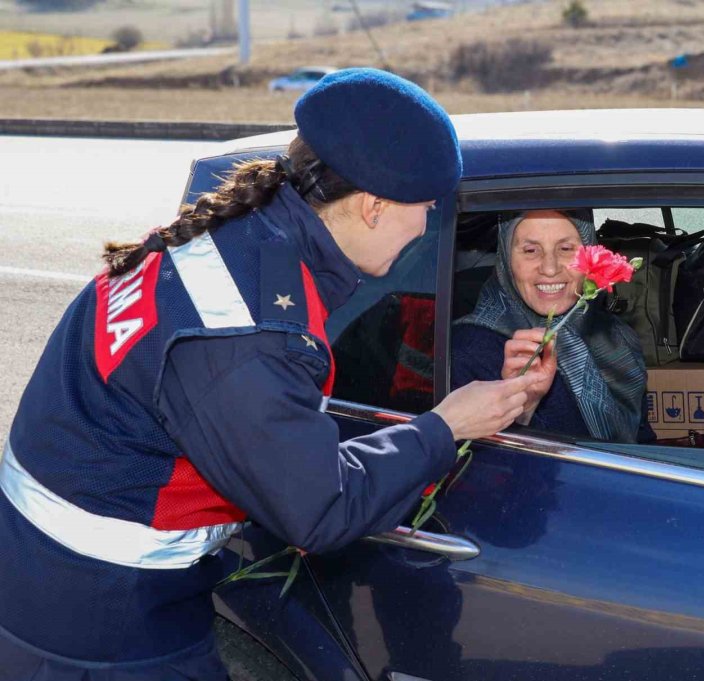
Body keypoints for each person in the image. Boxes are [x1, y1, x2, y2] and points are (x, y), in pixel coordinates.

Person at [0, 69, 538, 680]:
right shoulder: (243, 335)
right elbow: (320, 509)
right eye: (425, 209)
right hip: (98, 625)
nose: (425, 228)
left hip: (64, 579)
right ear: (372, 206)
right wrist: (446, 424)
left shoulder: (238, 241)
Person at [452, 210, 650, 444]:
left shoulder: (617, 338)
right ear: (505, 259)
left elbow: (645, 445)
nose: (549, 268)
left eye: (565, 249)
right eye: (530, 250)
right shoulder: (468, 351)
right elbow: (475, 467)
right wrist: (523, 409)